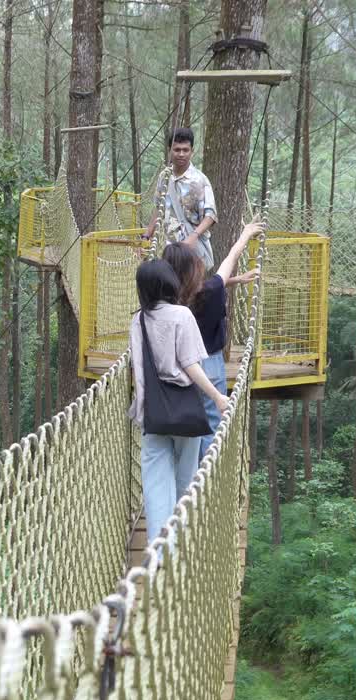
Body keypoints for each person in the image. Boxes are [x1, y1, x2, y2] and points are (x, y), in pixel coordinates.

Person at [128, 258, 229, 540]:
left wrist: (140, 407)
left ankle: (160, 547)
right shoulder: (182, 315)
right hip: (186, 410)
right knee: (186, 478)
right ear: (168, 284)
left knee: (155, 481)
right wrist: (217, 397)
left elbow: (138, 368)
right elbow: (191, 365)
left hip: (153, 412)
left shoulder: (138, 320)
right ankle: (183, 540)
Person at [162, 221, 263, 459]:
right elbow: (229, 259)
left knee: (186, 425)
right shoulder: (211, 290)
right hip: (210, 365)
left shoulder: (166, 297)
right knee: (212, 424)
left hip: (179, 367)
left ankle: (188, 479)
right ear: (193, 268)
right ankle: (206, 478)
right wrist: (246, 234)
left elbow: (197, 288)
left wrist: (236, 280)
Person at [142, 128, 218, 271]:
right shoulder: (164, 177)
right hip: (168, 252)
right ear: (170, 150)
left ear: (192, 151)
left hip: (192, 253)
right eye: (177, 150)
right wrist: (147, 235)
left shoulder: (200, 181)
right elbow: (159, 208)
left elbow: (210, 216)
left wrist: (193, 237)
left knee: (191, 292)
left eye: (185, 150)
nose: (181, 154)